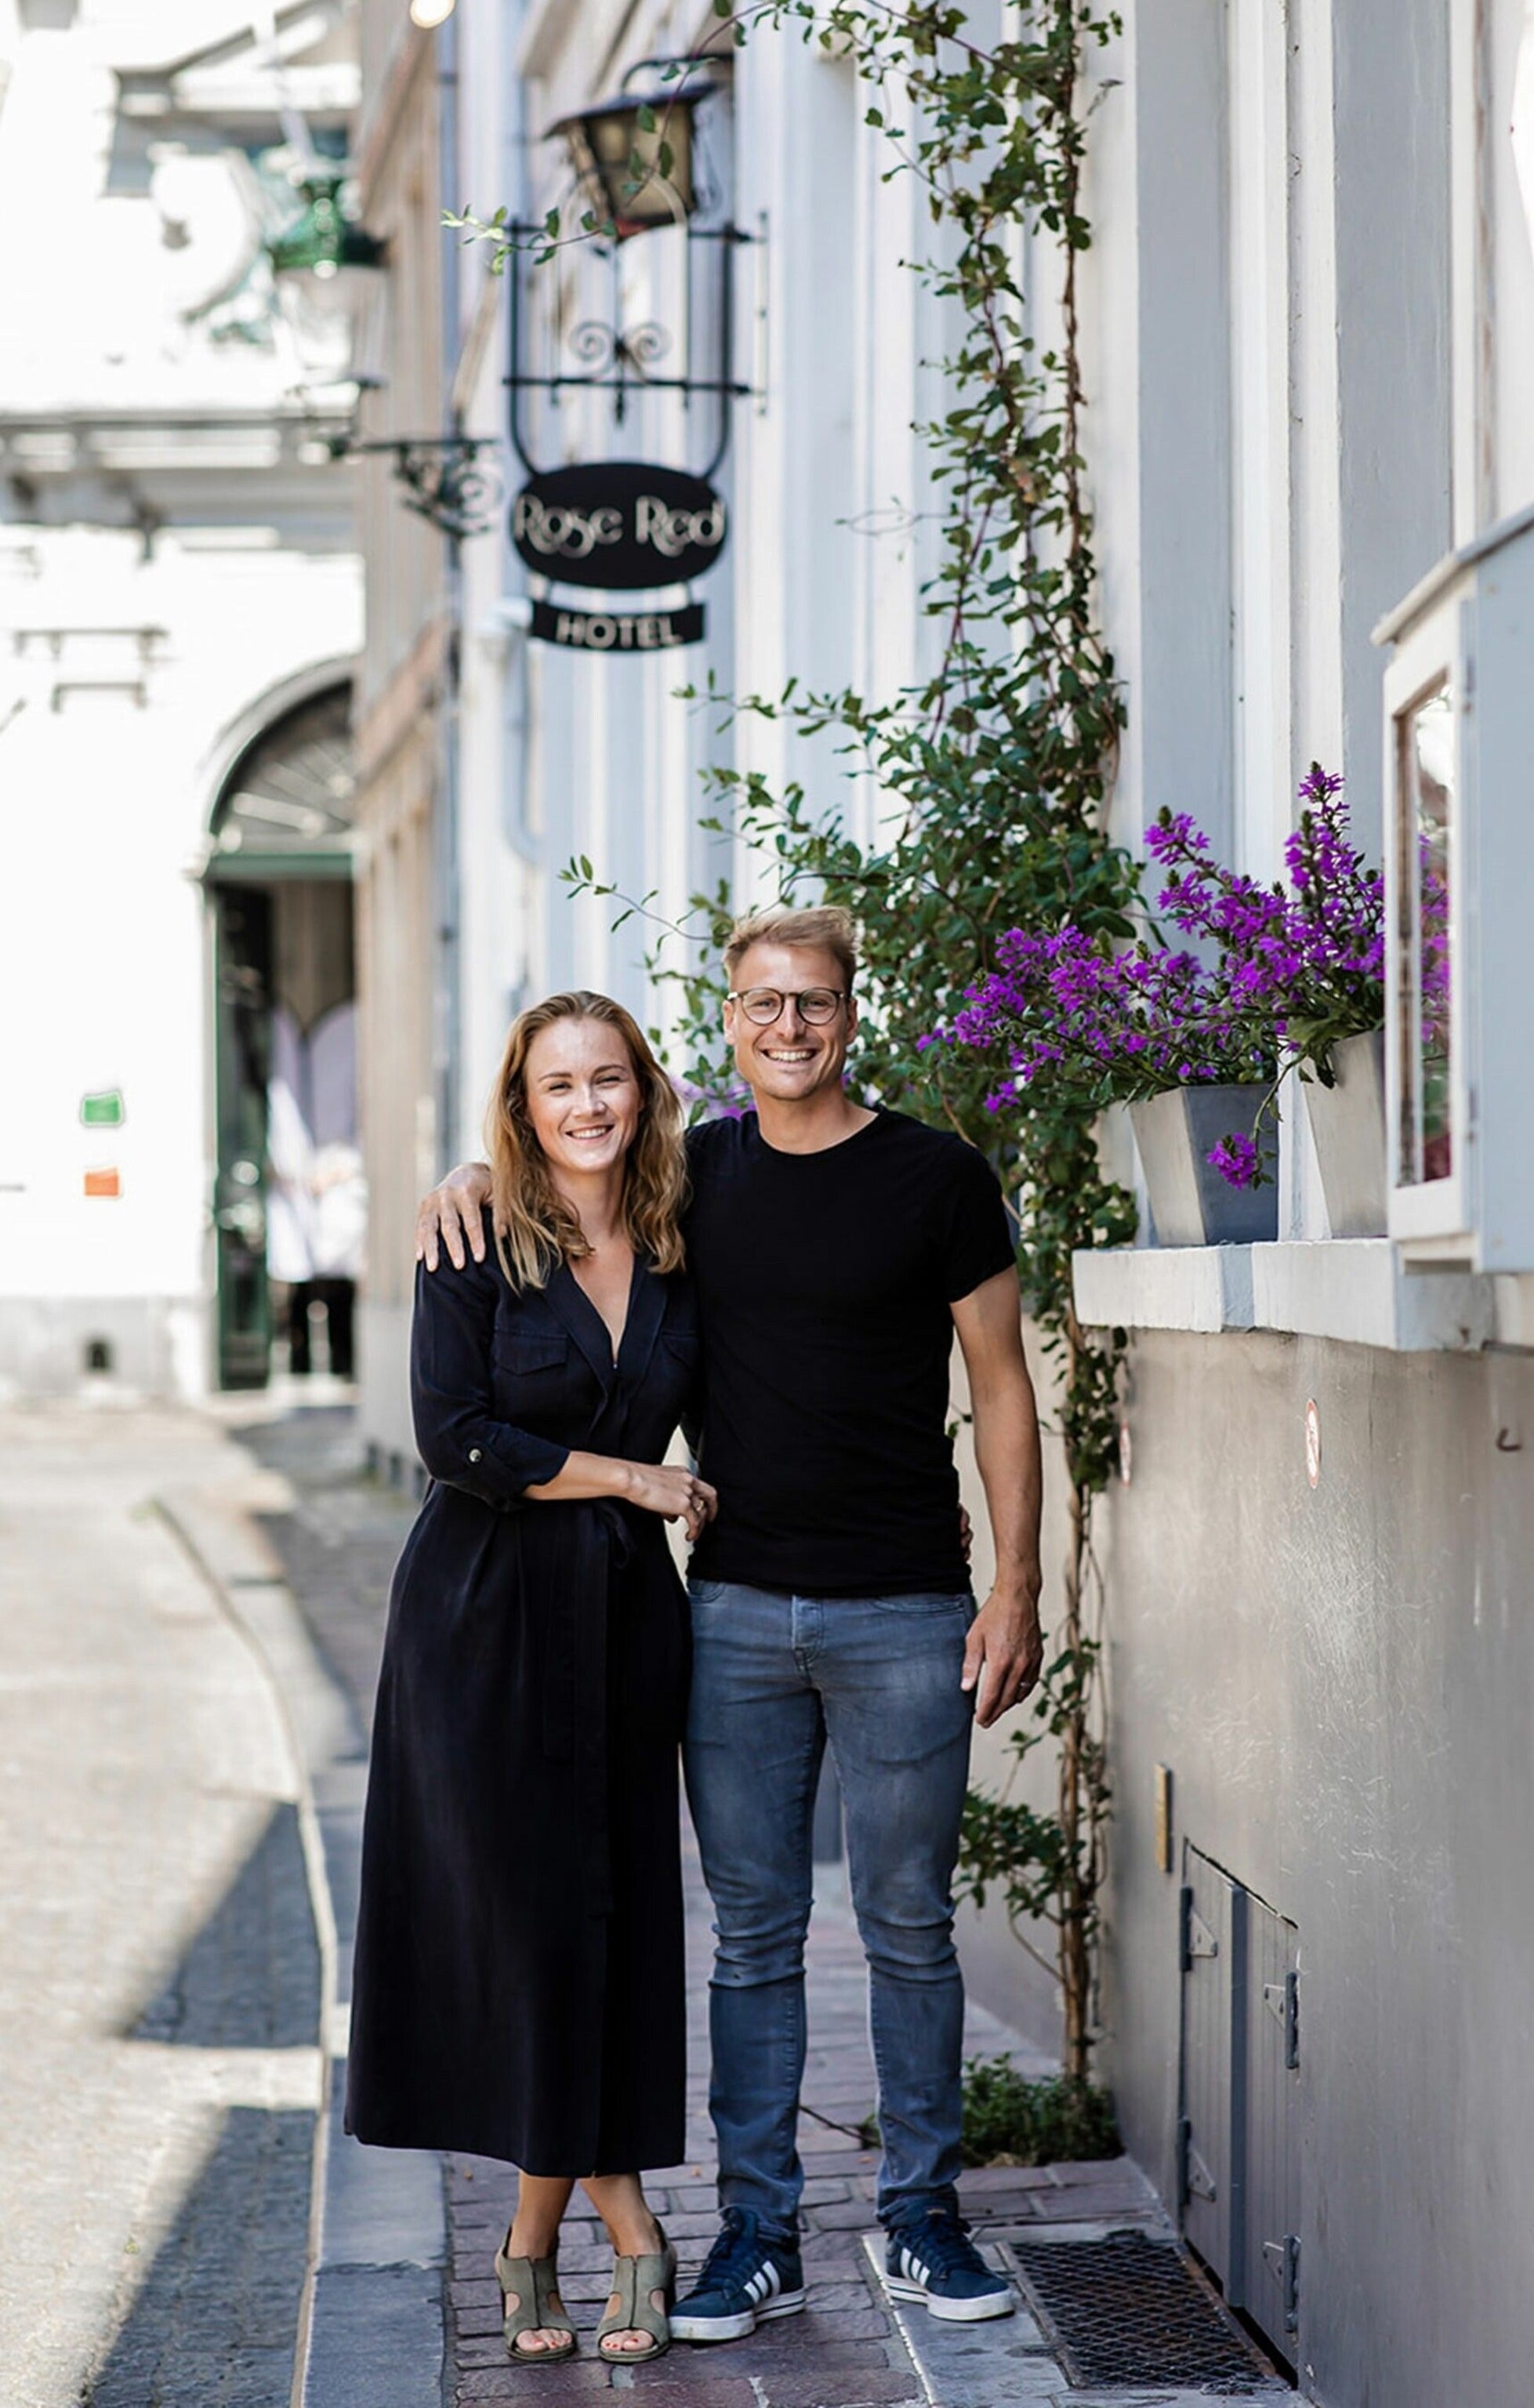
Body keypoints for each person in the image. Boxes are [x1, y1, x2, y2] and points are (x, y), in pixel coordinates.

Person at [417, 907, 1045, 2341]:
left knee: (907, 1925)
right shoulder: (689, 1179)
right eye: (762, 1003)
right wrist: (466, 1175)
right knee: (752, 1936)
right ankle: (757, 2235)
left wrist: (1015, 1583)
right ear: (729, 1022)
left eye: (812, 1001)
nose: (788, 1026)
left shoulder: (937, 1176)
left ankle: (922, 2218)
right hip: (736, 1610)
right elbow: (562, 1180)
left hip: (906, 1605)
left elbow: (1002, 1383)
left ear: (849, 1012)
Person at [347, 991, 717, 2367]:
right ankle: (632, 2229)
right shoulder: (472, 1239)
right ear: (520, 1104)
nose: (585, 1105)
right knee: (527, 1931)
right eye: (556, 1085)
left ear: (643, 1091)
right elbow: (453, 1437)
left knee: (604, 1923)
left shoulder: (681, 1238)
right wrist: (633, 1478)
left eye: (606, 1079)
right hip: (481, 1622)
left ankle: (524, 2240)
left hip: (623, 1623)